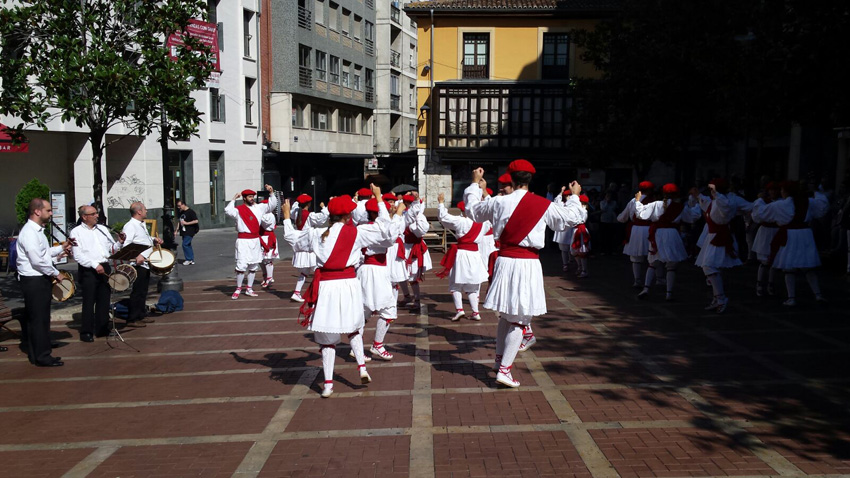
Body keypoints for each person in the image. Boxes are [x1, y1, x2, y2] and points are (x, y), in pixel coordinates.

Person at [465, 160, 585, 388]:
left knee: (506, 316)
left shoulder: (499, 201)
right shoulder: (542, 204)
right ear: (531, 180)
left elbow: (472, 211)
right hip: (526, 264)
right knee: (519, 320)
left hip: (505, 261)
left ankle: (499, 361)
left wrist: (474, 184)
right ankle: (504, 370)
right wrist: (575, 195)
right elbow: (572, 218)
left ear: (510, 178)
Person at [282, 185, 404, 397]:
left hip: (327, 286)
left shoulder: (316, 234)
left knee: (327, 338)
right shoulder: (357, 232)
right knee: (354, 327)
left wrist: (285, 218)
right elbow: (387, 230)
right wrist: (380, 200)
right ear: (348, 216)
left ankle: (328, 384)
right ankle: (362, 368)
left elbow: (292, 239)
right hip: (348, 285)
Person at [752, 181, 829, 306]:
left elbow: (759, 214)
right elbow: (823, 206)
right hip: (805, 235)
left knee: (789, 267)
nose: (780, 192)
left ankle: (791, 297)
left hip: (791, 235)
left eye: (782, 190)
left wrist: (759, 200)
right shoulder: (807, 202)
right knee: (808, 266)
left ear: (786, 192)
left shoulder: (781, 205)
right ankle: (818, 294)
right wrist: (817, 192)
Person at [16, 198, 73, 366]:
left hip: (38, 278)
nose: (51, 213)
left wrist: (61, 248)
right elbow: (37, 261)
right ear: (37, 211)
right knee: (38, 319)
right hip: (34, 280)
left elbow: (43, 252)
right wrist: (56, 273)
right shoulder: (29, 232)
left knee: (39, 318)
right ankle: (43, 356)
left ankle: (38, 352)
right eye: (48, 210)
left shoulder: (37, 231)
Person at [694, 179, 752, 313]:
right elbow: (708, 204)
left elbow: (725, 207)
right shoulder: (717, 201)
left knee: (709, 265)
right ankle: (718, 297)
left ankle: (720, 298)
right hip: (713, 236)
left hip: (719, 236)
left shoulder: (725, 202)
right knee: (709, 266)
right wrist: (699, 195)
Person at [633, 184, 700, 301]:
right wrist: (697, 201)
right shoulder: (680, 207)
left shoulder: (655, 205)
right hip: (672, 234)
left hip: (658, 234)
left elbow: (641, 214)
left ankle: (646, 289)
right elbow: (693, 217)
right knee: (671, 266)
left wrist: (638, 201)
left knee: (653, 263)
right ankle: (669, 293)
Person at [358, 197, 405, 360]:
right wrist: (398, 214)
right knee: (389, 309)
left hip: (367, 270)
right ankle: (377, 344)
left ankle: (357, 346)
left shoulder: (363, 227)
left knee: (363, 311)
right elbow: (391, 237)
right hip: (376, 271)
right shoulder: (378, 229)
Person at [70, 205, 125, 342]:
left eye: (96, 213)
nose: (96, 216)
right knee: (89, 301)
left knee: (104, 299)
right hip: (89, 269)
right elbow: (77, 255)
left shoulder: (102, 229)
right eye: (93, 214)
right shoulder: (76, 232)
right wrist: (95, 265)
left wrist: (119, 242)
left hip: (104, 266)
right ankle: (86, 331)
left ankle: (102, 328)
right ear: (84, 217)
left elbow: (111, 248)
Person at [436, 194, 490, 321]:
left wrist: (441, 203)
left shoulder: (461, 221)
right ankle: (476, 312)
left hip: (462, 254)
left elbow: (443, 217)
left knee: (455, 283)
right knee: (472, 286)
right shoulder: (484, 223)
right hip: (475, 255)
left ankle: (460, 310)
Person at [225, 185, 278, 300]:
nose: (252, 198)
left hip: (254, 240)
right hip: (243, 241)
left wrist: (271, 193)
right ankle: (238, 288)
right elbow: (228, 211)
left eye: (252, 196)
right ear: (244, 198)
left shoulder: (259, 208)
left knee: (253, 265)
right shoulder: (239, 210)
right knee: (241, 265)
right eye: (249, 197)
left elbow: (272, 205)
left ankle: (249, 288)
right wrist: (234, 198)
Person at [122, 202, 163, 326]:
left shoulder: (141, 224)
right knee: (137, 291)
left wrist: (154, 240)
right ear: (139, 212)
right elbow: (126, 245)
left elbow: (142, 240)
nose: (147, 211)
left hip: (145, 263)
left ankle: (141, 314)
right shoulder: (130, 226)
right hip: (137, 264)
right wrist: (136, 256)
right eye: (145, 209)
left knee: (143, 290)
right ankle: (132, 318)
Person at [289, 194, 328, 302]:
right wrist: (324, 207)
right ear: (309, 204)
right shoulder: (310, 215)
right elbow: (323, 218)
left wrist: (298, 200)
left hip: (300, 242)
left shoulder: (296, 212)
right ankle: (319, 293)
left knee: (305, 271)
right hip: (309, 244)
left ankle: (297, 292)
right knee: (317, 269)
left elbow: (293, 209)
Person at [398, 193, 432, 309]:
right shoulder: (404, 214)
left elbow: (420, 228)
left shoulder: (414, 216)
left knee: (412, 276)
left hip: (411, 248)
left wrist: (417, 201)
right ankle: (407, 296)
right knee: (399, 274)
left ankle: (416, 300)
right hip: (403, 247)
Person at [618, 181, 655, 288]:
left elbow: (623, 217)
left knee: (636, 257)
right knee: (654, 254)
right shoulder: (654, 201)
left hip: (636, 231)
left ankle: (637, 280)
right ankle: (659, 278)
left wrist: (619, 218)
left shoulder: (633, 201)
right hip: (650, 229)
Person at [750, 183, 781, 296]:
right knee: (764, 261)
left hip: (775, 231)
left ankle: (770, 284)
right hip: (765, 232)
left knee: (774, 261)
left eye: (775, 190)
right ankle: (759, 284)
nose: (773, 192)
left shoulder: (780, 202)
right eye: (771, 190)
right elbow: (757, 216)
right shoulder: (764, 202)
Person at [552, 189, 576, 273]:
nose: (568, 197)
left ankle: (571, 261)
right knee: (563, 249)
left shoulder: (573, 205)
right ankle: (565, 264)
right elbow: (556, 201)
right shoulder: (561, 204)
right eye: (567, 196)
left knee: (572, 247)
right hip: (563, 230)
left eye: (569, 195)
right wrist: (561, 192)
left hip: (571, 229)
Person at [571, 195, 592, 278]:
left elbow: (580, 219)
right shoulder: (579, 209)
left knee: (582, 251)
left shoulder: (583, 210)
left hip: (581, 231)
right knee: (574, 251)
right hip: (576, 230)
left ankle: (584, 270)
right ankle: (580, 267)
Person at [175, 199, 199, 265]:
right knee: (188, 245)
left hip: (190, 230)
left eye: (179, 206)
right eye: (178, 206)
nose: (179, 207)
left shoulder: (191, 212)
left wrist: (187, 223)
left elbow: (196, 221)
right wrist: (176, 230)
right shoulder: (181, 212)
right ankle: (191, 259)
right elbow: (179, 221)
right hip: (183, 231)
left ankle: (188, 259)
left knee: (185, 244)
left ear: (183, 204)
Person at [259, 209, 279, 288]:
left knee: (267, 259)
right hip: (262, 237)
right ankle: (265, 276)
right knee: (261, 259)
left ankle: (269, 277)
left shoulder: (268, 215)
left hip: (267, 238)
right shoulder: (266, 214)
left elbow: (265, 223)